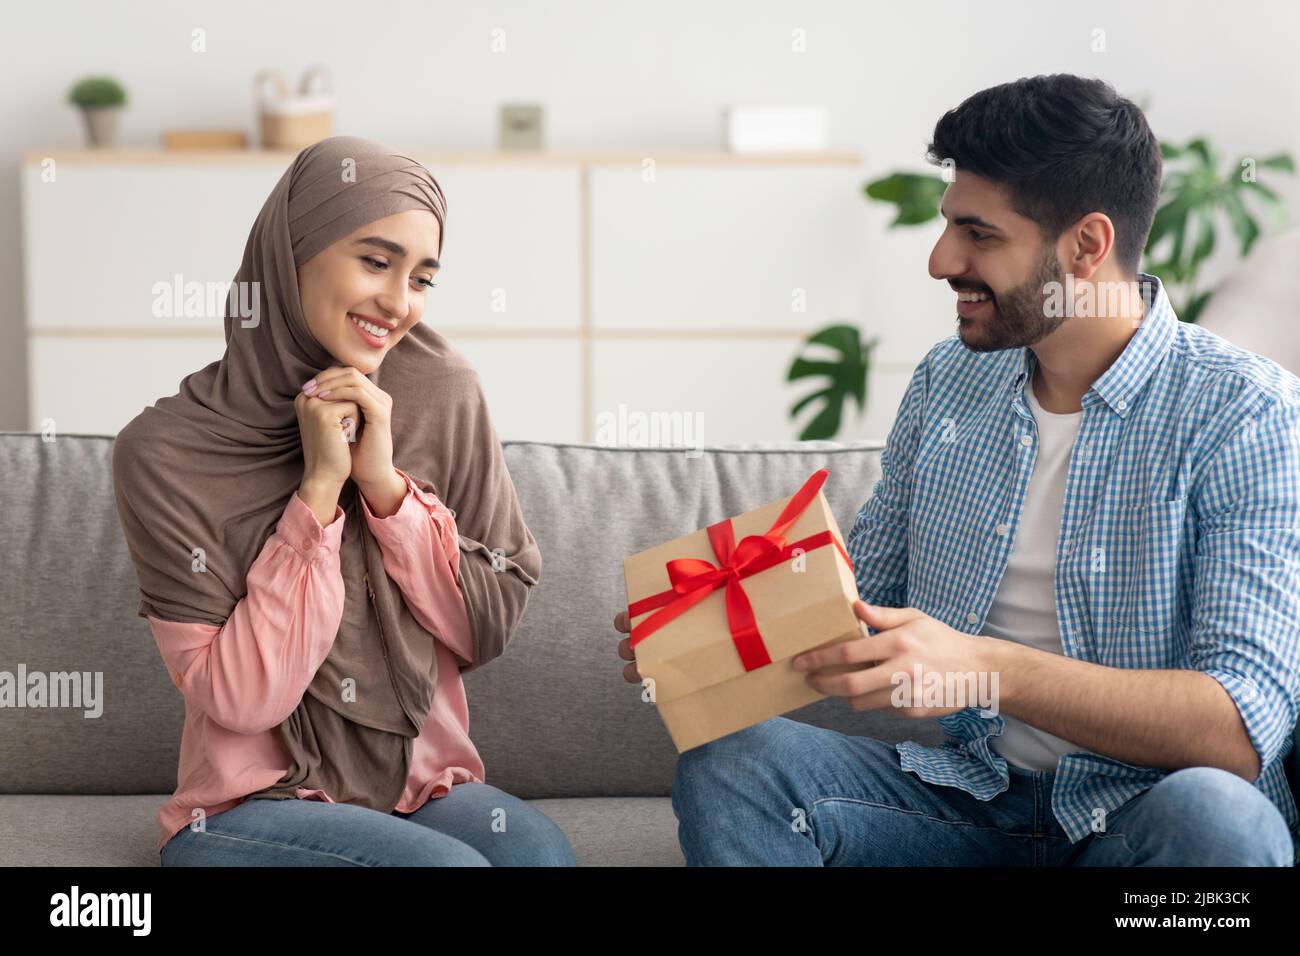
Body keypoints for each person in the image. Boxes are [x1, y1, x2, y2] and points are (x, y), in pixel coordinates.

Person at [615, 74, 1299, 866]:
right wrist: (703, 630)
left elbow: (1240, 732)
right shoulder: (949, 382)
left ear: (1087, 246)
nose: (943, 260)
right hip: (967, 800)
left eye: (980, 234)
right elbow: (859, 598)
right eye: (948, 226)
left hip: (1140, 819)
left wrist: (985, 667)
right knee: (736, 766)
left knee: (1220, 814)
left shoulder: (1249, 415)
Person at [113, 135, 574, 866]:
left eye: (422, 278)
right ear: (292, 252)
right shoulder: (168, 451)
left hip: (421, 789)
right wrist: (319, 495)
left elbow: (484, 626)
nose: (399, 304)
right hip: (249, 806)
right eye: (374, 261)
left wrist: (385, 489)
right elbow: (239, 703)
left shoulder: (442, 391)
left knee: (537, 859)